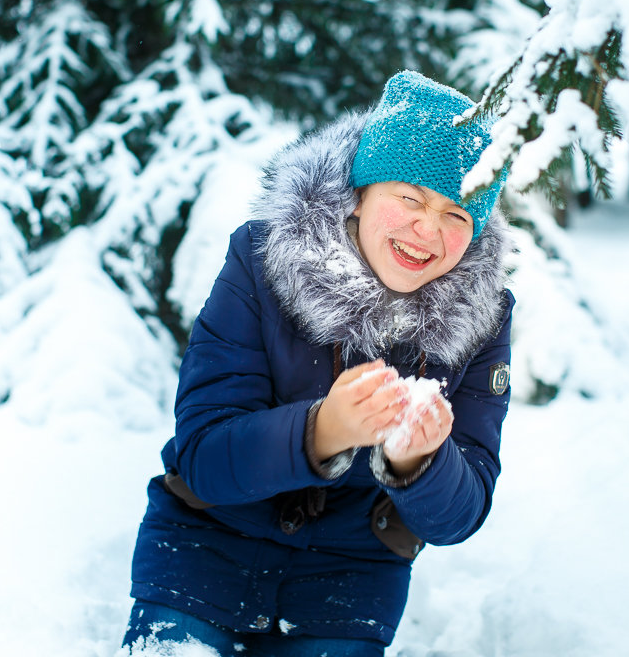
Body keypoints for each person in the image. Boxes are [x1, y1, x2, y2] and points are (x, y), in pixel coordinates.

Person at [122, 70, 513, 656]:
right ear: (359, 195)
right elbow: (204, 454)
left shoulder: (484, 315)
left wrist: (419, 462)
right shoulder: (260, 257)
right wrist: (323, 431)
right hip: (205, 549)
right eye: (410, 197)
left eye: (458, 216)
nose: (427, 229)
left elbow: (459, 515)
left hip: (349, 580)